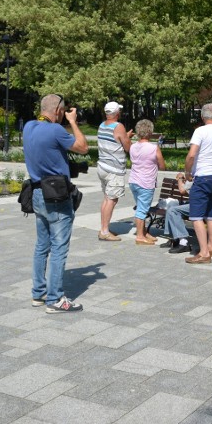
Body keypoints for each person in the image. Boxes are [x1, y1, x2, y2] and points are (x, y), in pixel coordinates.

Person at [23, 94, 88, 313]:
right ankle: (55, 299)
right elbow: (83, 147)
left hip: (37, 192)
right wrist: (72, 122)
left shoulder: (29, 127)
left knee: (42, 246)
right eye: (64, 111)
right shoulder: (57, 130)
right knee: (59, 248)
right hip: (57, 195)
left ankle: (38, 293)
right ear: (59, 110)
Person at [184, 103, 212, 264]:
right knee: (211, 215)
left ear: (202, 117)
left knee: (196, 216)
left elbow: (191, 155)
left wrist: (187, 172)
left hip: (203, 176)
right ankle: (211, 247)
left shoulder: (200, 131)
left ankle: (204, 253)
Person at [96, 101, 132, 242]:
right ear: (117, 113)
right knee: (112, 199)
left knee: (107, 198)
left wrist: (124, 136)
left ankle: (103, 228)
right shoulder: (119, 126)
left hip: (103, 166)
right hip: (113, 169)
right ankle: (104, 231)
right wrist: (127, 136)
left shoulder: (102, 125)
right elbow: (127, 147)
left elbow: (114, 139)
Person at [128, 119, 165, 245]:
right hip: (146, 182)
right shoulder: (154, 148)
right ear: (150, 132)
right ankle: (140, 236)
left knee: (140, 206)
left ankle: (143, 232)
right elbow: (162, 165)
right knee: (142, 210)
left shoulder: (133, 146)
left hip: (133, 181)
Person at [161, 173, 192, 254]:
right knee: (171, 205)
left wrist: (181, 178)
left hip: (198, 206)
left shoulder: (200, 175)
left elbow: (182, 190)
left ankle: (184, 243)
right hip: (193, 203)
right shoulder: (196, 175)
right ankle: (175, 239)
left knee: (173, 210)